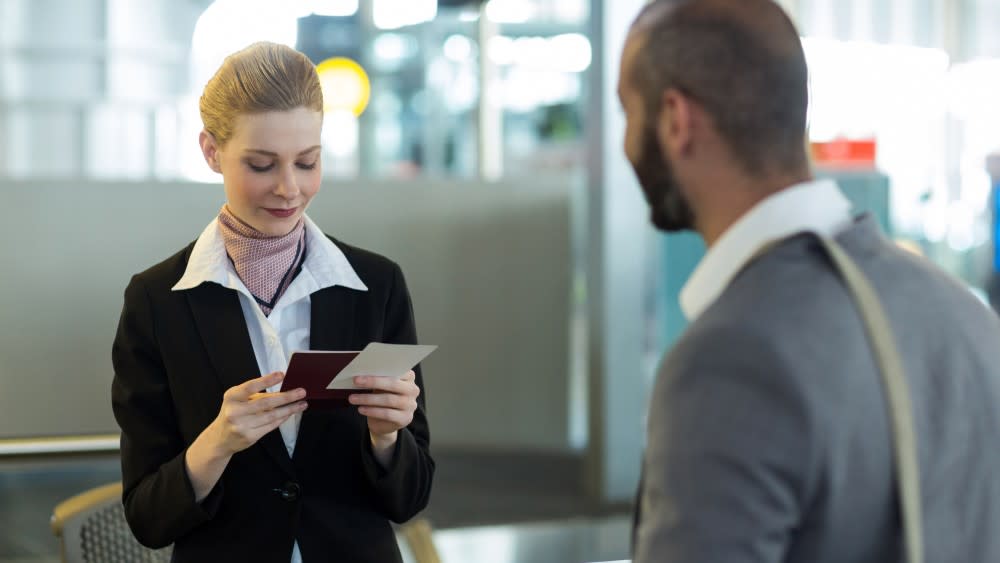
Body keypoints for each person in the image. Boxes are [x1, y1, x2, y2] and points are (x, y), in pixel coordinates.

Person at [618, 1, 1000, 562]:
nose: (626, 140)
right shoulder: (960, 314)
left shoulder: (731, 357)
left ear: (676, 120)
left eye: (628, 112)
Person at [111, 42, 433, 563]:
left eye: (307, 163)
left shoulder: (377, 286)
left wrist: (388, 438)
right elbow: (147, 518)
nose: (289, 188)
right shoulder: (156, 302)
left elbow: (410, 499)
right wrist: (216, 442)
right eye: (262, 165)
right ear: (211, 151)